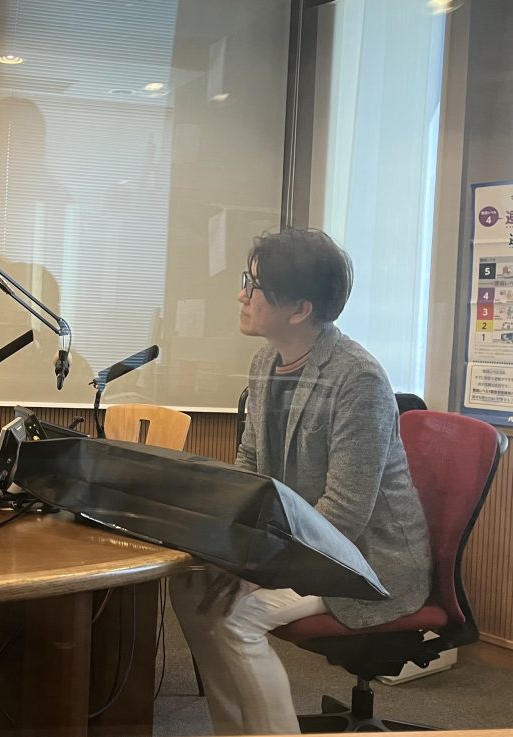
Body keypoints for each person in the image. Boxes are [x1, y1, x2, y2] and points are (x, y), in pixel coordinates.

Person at [170, 229, 431, 735]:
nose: (241, 295)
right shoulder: (265, 362)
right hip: (297, 544)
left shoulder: (358, 378)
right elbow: (251, 466)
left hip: (363, 561)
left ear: (299, 309)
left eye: (254, 286)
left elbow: (345, 514)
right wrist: (225, 545)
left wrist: (262, 568)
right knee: (191, 583)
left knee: (237, 615)